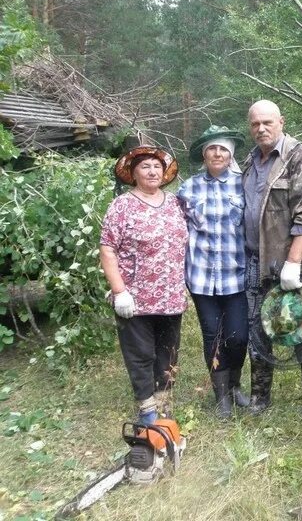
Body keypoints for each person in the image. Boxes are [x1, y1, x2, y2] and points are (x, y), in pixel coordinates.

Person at [242, 99, 302, 421]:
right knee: (257, 333)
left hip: (290, 264)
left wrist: (293, 262)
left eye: (267, 123)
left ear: (281, 122)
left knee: (301, 332)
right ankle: (260, 397)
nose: (261, 129)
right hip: (254, 262)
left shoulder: (300, 157)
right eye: (255, 124)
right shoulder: (249, 161)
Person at [100, 146, 187, 425]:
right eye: (145, 166)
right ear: (133, 172)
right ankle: (147, 408)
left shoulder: (175, 203)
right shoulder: (122, 205)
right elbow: (108, 249)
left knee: (167, 351)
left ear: (164, 173)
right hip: (135, 298)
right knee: (140, 354)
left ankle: (163, 402)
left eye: (157, 166)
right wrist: (119, 291)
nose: (152, 171)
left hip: (171, 295)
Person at [177, 125, 249, 419]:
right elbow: (178, 231)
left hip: (237, 273)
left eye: (223, 149)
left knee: (238, 336)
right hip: (201, 275)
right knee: (213, 335)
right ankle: (221, 396)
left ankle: (235, 384)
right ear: (204, 155)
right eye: (212, 149)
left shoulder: (244, 184)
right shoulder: (188, 188)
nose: (217, 153)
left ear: (230, 154)